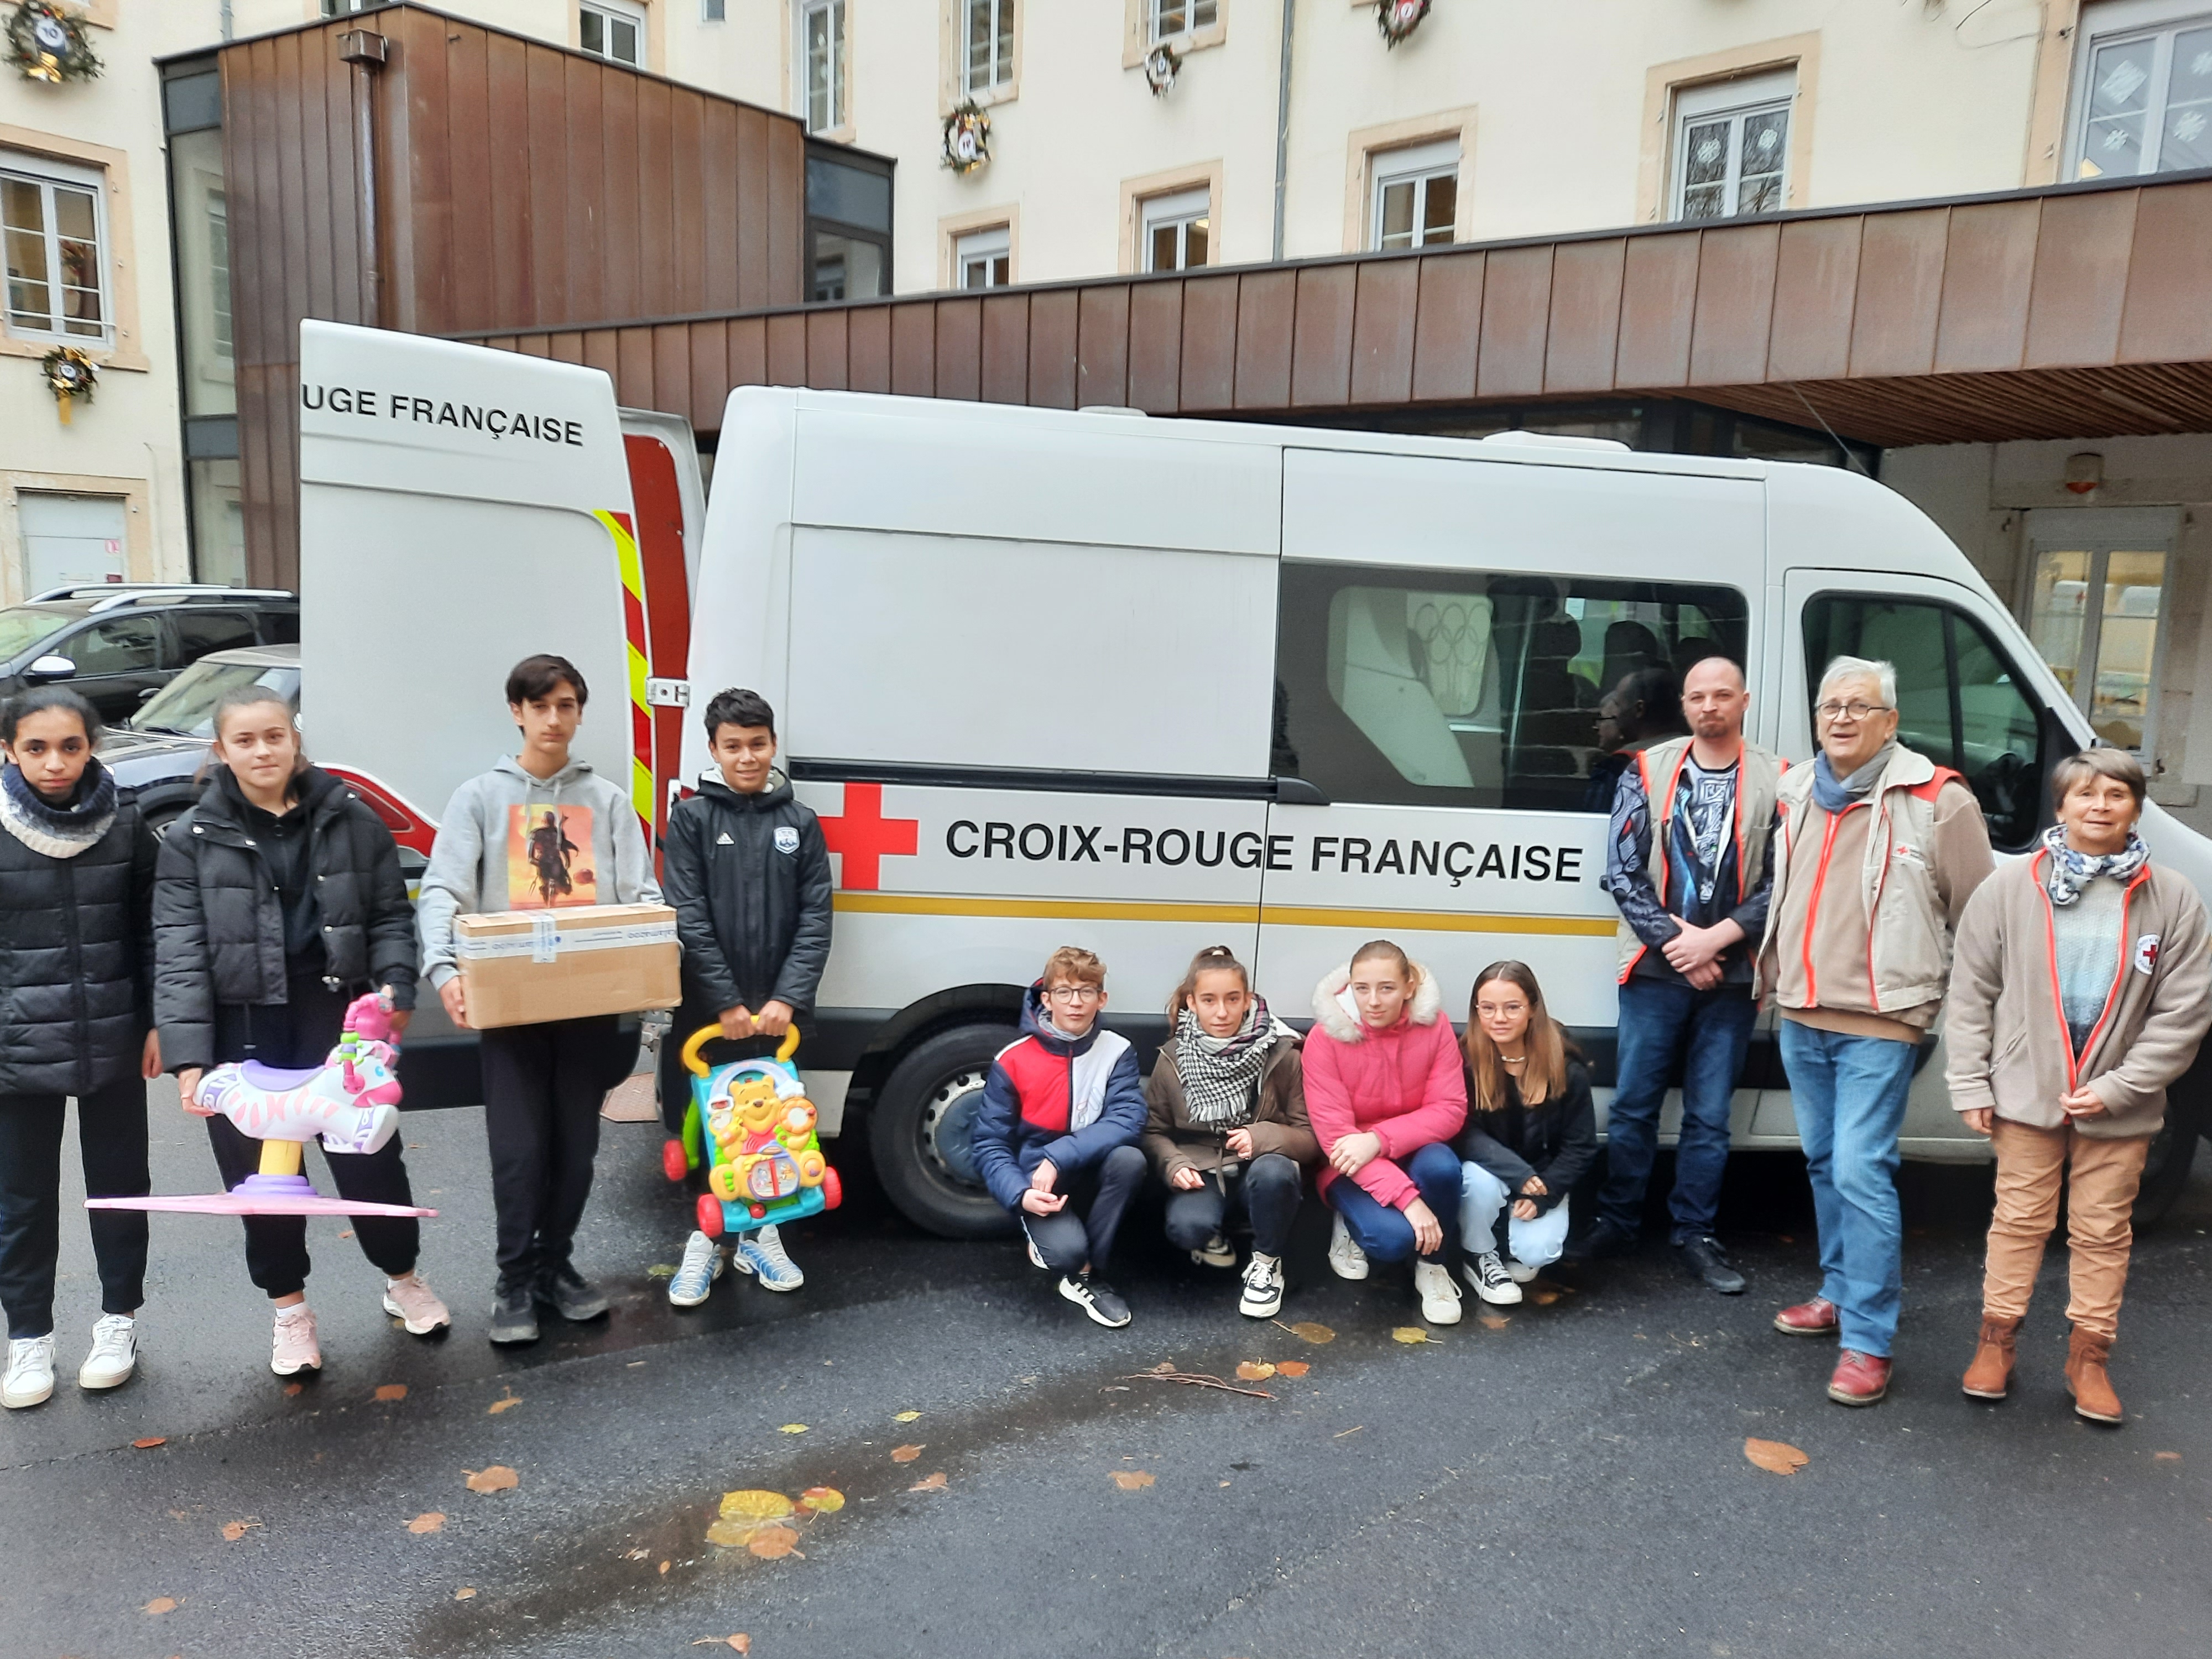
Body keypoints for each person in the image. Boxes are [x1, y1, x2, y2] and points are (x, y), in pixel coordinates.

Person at [155, 686, 443, 1376]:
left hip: (337, 1018)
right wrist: (191, 1059)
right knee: (263, 1180)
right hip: (241, 1028)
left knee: (370, 1159)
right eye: (245, 741)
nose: (263, 751)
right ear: (222, 751)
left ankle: (403, 1278)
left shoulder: (350, 816)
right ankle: (290, 1311)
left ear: (295, 739)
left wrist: (398, 988)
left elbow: (388, 916)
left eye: (274, 736)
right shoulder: (189, 839)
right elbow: (178, 952)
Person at [1757, 654, 1993, 1406]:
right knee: (1826, 1162)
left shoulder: (1937, 797)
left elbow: (1981, 917)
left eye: (1860, 706)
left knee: (1861, 1169)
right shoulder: (1795, 789)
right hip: (1801, 1008)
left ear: (1891, 721)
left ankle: (1868, 1340)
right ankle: (1838, 1291)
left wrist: (1958, 1007)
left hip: (1884, 1021)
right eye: (1831, 706)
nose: (1842, 718)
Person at [1947, 749, 2210, 1422]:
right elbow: (1972, 991)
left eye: (2116, 794)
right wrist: (1970, 1082)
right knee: (2019, 1222)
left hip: (2120, 1106)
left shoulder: (2173, 897)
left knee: (2101, 1231)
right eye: (2084, 794)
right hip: (2026, 1093)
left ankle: (2088, 1357)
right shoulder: (2010, 888)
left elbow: (2183, 1014)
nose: (2099, 805)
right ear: (2059, 806)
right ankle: (1996, 1342)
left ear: (2136, 806)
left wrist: (2122, 1087)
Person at [418, 654, 660, 1346]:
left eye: (567, 706)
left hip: (588, 1008)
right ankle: (514, 1280)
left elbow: (641, 901)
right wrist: (445, 970)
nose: (554, 719)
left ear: (580, 714)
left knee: (575, 1148)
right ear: (517, 712)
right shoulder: (480, 799)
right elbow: (443, 892)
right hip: (514, 1012)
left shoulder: (608, 802)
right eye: (541, 705)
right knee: (520, 1151)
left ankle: (557, 1266)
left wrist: (646, 980)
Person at [1582, 655, 1782, 1294]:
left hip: (1731, 972)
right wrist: (1679, 945)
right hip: (1653, 970)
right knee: (1635, 1105)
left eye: (1722, 695)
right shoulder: (1646, 770)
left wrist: (1716, 941)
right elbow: (1622, 872)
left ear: (1743, 702)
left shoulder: (1779, 780)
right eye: (1698, 696)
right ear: (1685, 704)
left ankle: (1694, 1233)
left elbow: (1785, 881)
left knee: (1708, 1116)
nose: (1709, 706)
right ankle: (1616, 1222)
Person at [0, 688, 157, 1408]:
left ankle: (117, 1321)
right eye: (36, 748)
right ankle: (28, 1339)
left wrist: (161, 1023)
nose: (54, 763)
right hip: (14, 1046)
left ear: (92, 746)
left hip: (114, 1034)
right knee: (20, 1201)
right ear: (9, 750)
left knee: (120, 1188)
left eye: (70, 746)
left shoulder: (125, 823)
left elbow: (155, 934)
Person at [660, 688, 833, 1308]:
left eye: (757, 744)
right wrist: (725, 1001)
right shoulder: (692, 820)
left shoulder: (801, 824)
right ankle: (702, 1246)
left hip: (776, 1019)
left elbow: (816, 917)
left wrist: (788, 997)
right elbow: (688, 914)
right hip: (708, 1017)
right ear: (713, 750)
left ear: (773, 745)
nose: (747, 757)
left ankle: (762, 1237)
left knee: (774, 1136)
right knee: (709, 1132)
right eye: (732, 746)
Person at [972, 946, 1147, 1329]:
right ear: (1046, 999)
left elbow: (1129, 1118)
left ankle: (1086, 1277)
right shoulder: (1013, 1059)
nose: (1076, 1003)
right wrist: (1020, 1194)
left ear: (1102, 999)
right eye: (1065, 992)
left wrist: (1058, 1156)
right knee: (1064, 1251)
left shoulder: (1118, 1050)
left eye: (1087, 992)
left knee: (1130, 1160)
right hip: (1038, 1180)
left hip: (1086, 1164)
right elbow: (989, 1143)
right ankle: (1059, 1245)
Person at [1141, 944, 1316, 1319]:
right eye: (1209, 1000)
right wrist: (1173, 1164)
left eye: (1232, 999)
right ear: (1192, 1003)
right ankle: (1220, 1231)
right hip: (1204, 1169)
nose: (1221, 1012)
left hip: (1260, 1165)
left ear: (1248, 1000)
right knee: (1187, 1227)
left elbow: (1310, 1137)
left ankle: (1267, 1262)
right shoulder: (1173, 1057)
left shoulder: (1281, 1054)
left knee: (1276, 1171)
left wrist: (1262, 1136)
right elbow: (1154, 1131)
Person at [1305, 940, 1468, 1327]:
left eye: (1387, 988)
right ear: (1350, 988)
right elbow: (1335, 1140)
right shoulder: (1325, 1037)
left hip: (1411, 1150)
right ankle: (1347, 1218)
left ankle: (1434, 1267)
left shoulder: (1435, 1025)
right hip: (1348, 1164)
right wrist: (1410, 1202)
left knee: (1444, 1168)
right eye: (1362, 989)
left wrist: (1378, 1139)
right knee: (1392, 1241)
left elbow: (1450, 1109)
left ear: (1409, 987)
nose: (1373, 1001)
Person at [1455, 961, 1597, 1306]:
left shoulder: (1564, 1064)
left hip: (1544, 1173)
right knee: (1477, 1183)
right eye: (1487, 1008)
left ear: (1533, 1009)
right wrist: (1517, 1174)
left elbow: (1581, 1145)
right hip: (1492, 1168)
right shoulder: (1467, 1058)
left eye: (1512, 1007)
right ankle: (1479, 1255)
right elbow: (1463, 1131)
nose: (1499, 1018)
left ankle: (1512, 1240)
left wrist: (1544, 1193)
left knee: (1538, 1253)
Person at [1583, 665, 1686, 813]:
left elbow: (1596, 824)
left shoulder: (1617, 767)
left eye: (1618, 705)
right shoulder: (1699, 756)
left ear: (1639, 709)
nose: (1616, 714)